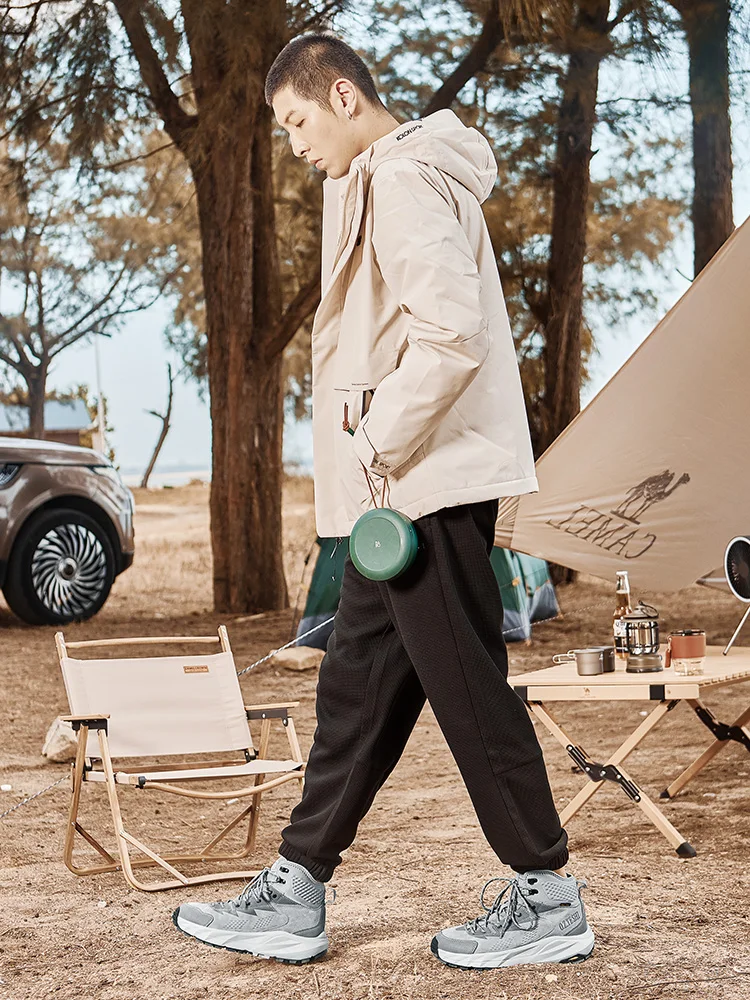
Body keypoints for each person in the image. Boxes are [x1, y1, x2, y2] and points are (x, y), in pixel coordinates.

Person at [172, 31, 594, 970]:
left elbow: (452, 337)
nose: (294, 143)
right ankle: (298, 883)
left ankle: (548, 894)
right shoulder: (382, 178)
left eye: (295, 121)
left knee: (471, 691)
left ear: (344, 99)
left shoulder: (401, 180)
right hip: (400, 495)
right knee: (356, 691)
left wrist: (373, 448)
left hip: (422, 489)